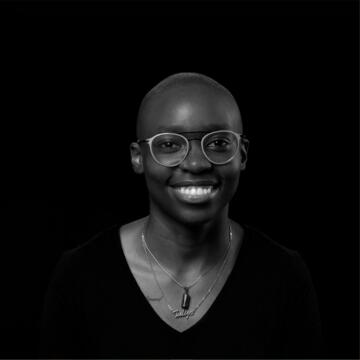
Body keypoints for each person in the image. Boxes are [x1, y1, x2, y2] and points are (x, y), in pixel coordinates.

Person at [39, 72, 323, 359]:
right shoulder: (80, 276)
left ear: (242, 155)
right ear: (138, 157)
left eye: (218, 143)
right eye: (170, 144)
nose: (197, 163)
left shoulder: (284, 277)